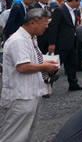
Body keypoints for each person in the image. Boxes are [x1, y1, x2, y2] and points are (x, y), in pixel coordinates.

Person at [0, 8, 59, 141]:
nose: (46, 27)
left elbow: (29, 60)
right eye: (44, 23)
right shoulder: (19, 40)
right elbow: (22, 66)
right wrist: (45, 66)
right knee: (14, 136)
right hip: (22, 95)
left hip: (30, 93)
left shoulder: (31, 38)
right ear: (32, 23)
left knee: (24, 133)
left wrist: (44, 62)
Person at [47, 0, 82, 91]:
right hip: (61, 43)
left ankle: (73, 84)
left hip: (72, 42)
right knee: (55, 66)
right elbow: (53, 27)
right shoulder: (60, 10)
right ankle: (45, 83)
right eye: (79, 1)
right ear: (73, 0)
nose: (80, 3)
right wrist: (52, 43)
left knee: (72, 65)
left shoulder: (75, 11)